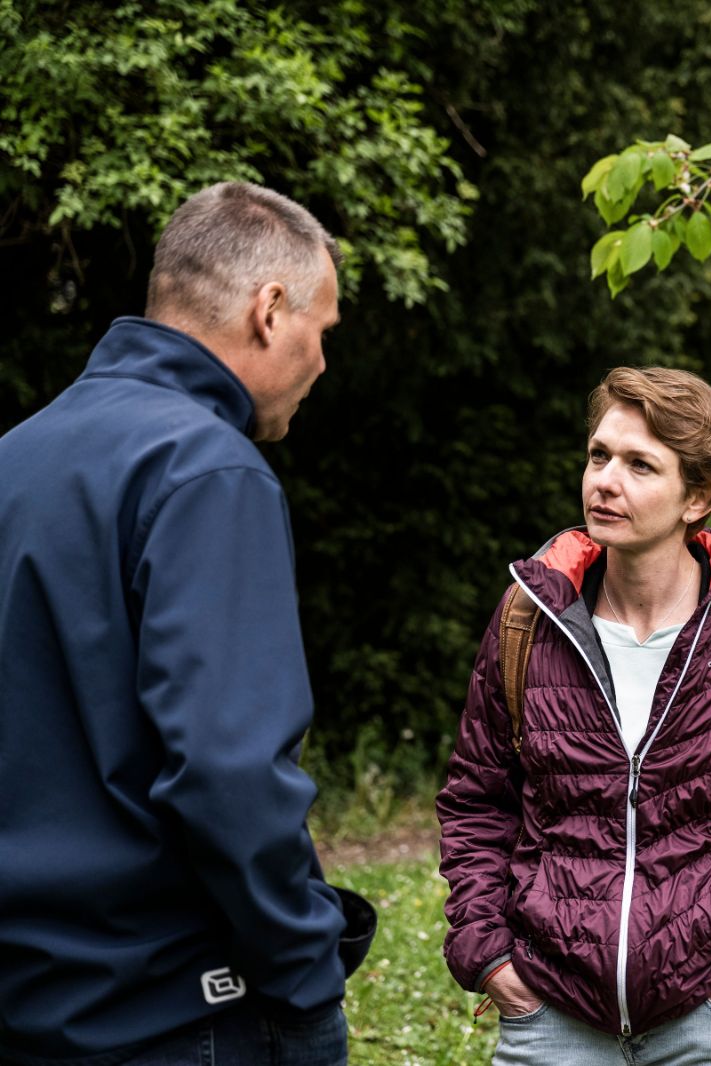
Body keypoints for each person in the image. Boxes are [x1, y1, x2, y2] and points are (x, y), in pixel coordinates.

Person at [0, 183, 371, 1064]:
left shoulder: (16, 456)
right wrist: (305, 967)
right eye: (322, 331)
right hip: (173, 1008)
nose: (323, 363)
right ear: (269, 311)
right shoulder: (206, 471)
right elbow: (226, 771)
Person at [437, 368, 711, 1065]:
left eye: (640, 465)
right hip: (551, 1015)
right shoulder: (528, 620)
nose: (605, 481)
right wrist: (490, 959)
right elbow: (477, 800)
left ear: (700, 496)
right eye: (599, 455)